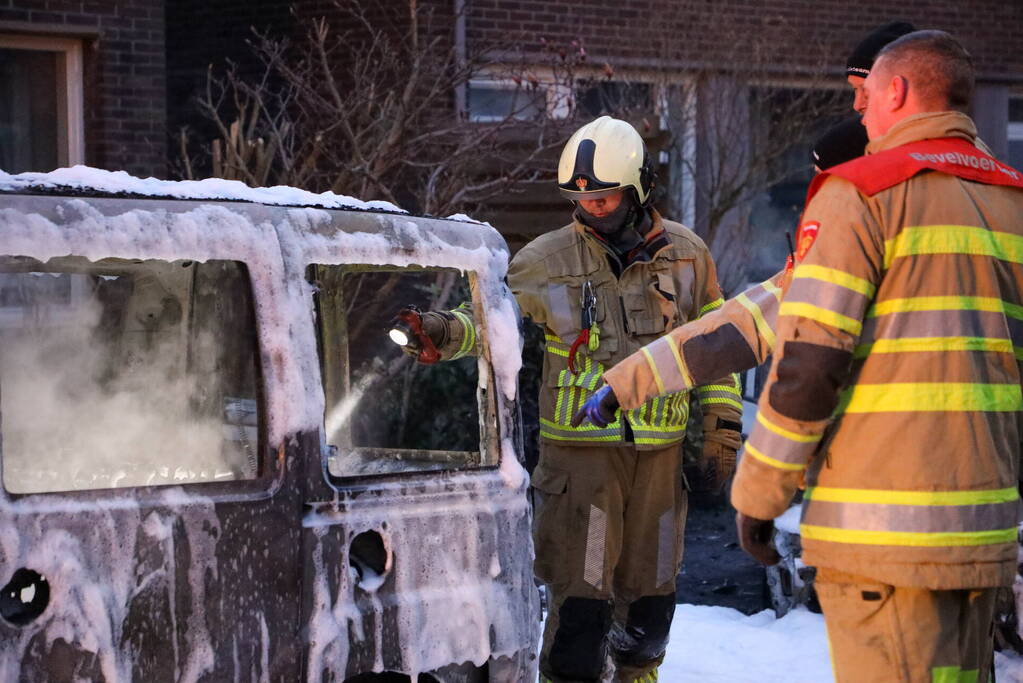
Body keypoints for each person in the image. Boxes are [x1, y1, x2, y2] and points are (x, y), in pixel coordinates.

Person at [397, 116, 742, 682]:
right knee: (583, 612)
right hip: (583, 468)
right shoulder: (545, 258)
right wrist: (441, 331)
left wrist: (722, 428)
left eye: (607, 197)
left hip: (659, 463)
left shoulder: (688, 257)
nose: (594, 208)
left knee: (649, 616)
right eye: (583, 199)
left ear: (639, 188)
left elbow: (717, 344)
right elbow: (493, 321)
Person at [731, 31, 1023, 682]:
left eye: (866, 98)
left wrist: (757, 495)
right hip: (982, 536)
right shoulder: (1012, 200)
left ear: (897, 91)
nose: (858, 114)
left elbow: (807, 367)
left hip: (883, 547)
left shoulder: (859, 192)